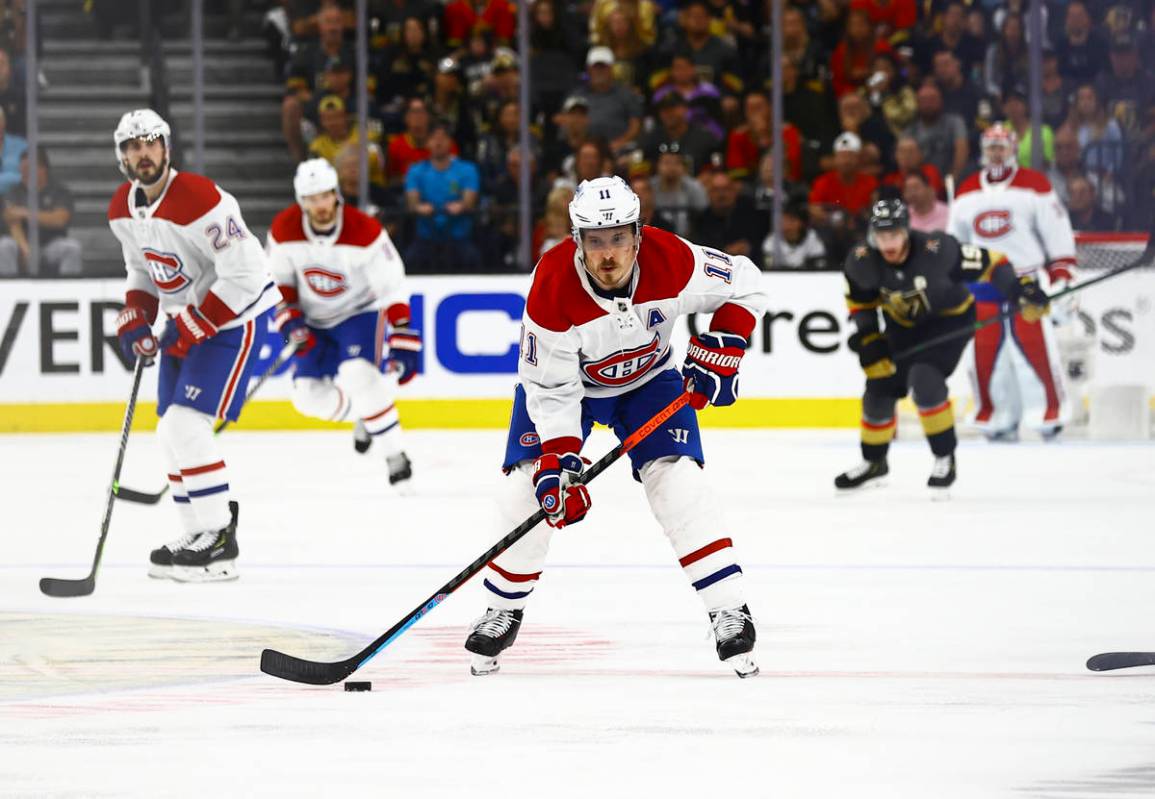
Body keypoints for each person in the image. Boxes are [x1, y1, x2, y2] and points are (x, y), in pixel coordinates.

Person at [462, 175, 765, 678]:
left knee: (678, 480)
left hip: (650, 382)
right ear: (577, 240)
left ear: (637, 236)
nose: (608, 254)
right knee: (528, 488)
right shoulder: (552, 287)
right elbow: (551, 391)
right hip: (569, 393)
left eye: (619, 238)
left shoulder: (673, 260)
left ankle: (727, 607)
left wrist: (726, 347)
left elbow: (747, 281)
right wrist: (559, 463)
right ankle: (503, 606)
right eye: (596, 241)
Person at [110, 109, 278, 582]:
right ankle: (197, 534)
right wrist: (137, 318)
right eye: (132, 146)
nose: (143, 153)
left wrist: (197, 321)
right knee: (169, 431)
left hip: (236, 318)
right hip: (189, 320)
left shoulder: (201, 198)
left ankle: (221, 539)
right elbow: (142, 272)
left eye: (151, 143)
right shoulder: (122, 209)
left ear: (166, 147)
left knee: (187, 425)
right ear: (121, 155)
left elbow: (246, 272)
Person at [836, 198, 1047, 492]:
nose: (889, 244)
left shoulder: (937, 250)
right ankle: (874, 462)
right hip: (903, 327)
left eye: (894, 235)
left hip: (950, 322)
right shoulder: (861, 261)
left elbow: (993, 262)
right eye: (882, 237)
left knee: (926, 379)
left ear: (907, 231)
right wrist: (870, 337)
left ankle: (944, 457)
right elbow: (860, 303)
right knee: (878, 386)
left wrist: (1018, 291)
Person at [266, 159, 419, 485]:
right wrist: (290, 320)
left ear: (336, 194)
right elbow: (279, 283)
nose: (319, 205)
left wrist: (404, 333)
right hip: (312, 320)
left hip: (358, 312)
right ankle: (366, 413)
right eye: (311, 198)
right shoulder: (283, 230)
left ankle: (395, 455)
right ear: (301, 201)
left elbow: (392, 285)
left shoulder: (364, 230)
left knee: (359, 374)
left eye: (324, 196)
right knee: (306, 397)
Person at [947, 124, 1078, 441]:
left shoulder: (1035, 185)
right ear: (982, 150)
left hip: (1025, 284)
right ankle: (995, 416)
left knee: (1035, 350)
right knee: (985, 355)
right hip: (982, 288)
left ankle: (1049, 414)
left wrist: (1061, 274)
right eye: (990, 147)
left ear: (1014, 149)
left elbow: (1057, 235)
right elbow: (955, 244)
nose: (995, 153)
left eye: (1001, 147)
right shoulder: (966, 191)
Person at [404, 122, 482, 273]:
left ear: (450, 142)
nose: (438, 142)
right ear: (427, 143)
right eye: (434, 138)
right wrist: (419, 207)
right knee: (409, 259)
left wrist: (462, 206)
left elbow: (469, 201)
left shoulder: (467, 169)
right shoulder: (416, 170)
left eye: (443, 138)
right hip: (426, 239)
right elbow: (412, 202)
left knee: (474, 258)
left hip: (459, 239)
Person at [0, 148, 83, 277]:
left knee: (72, 248)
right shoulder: (14, 192)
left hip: (50, 245)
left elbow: (60, 219)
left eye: (28, 169)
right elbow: (11, 220)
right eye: (22, 169)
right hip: (21, 246)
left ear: (42, 169)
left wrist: (25, 213)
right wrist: (25, 248)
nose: (23, 173)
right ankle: (8, 294)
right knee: (4, 246)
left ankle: (67, 295)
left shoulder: (58, 191)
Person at [762, 201, 830, 270]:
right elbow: (768, 267)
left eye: (791, 220)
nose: (786, 224)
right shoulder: (772, 240)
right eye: (784, 220)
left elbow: (820, 264)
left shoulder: (811, 237)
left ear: (801, 223)